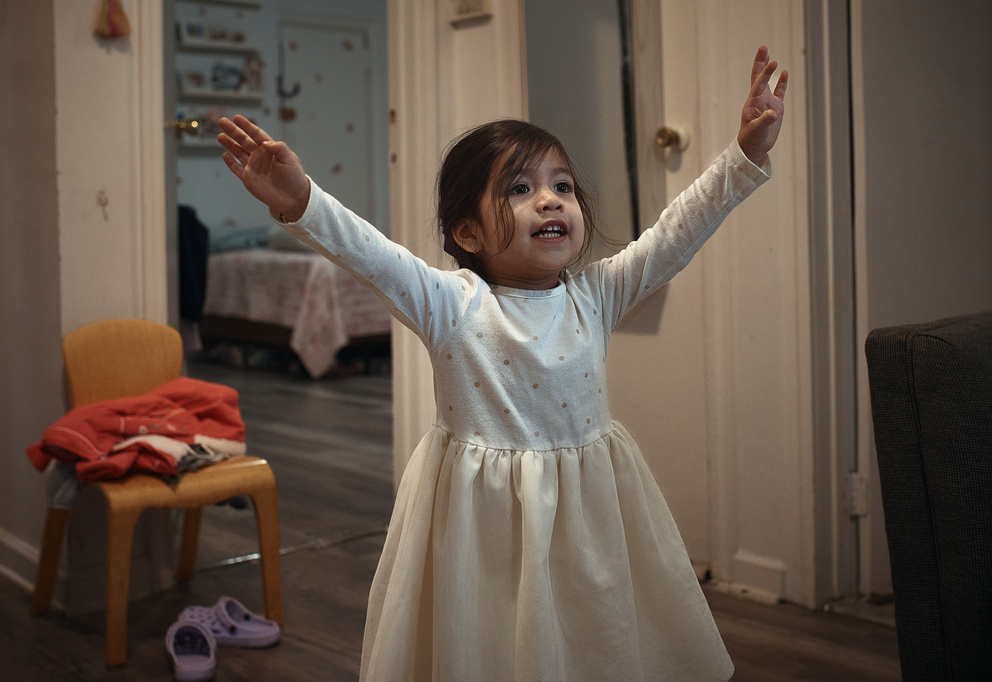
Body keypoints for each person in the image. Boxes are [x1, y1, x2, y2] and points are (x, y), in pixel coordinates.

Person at [217, 44, 788, 682]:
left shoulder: (595, 296)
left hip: (586, 510)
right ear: (467, 234)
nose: (550, 201)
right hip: (479, 522)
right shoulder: (451, 304)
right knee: (490, 637)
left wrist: (745, 157)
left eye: (562, 186)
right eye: (520, 189)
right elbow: (371, 255)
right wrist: (301, 201)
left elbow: (675, 234)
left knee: (588, 625)